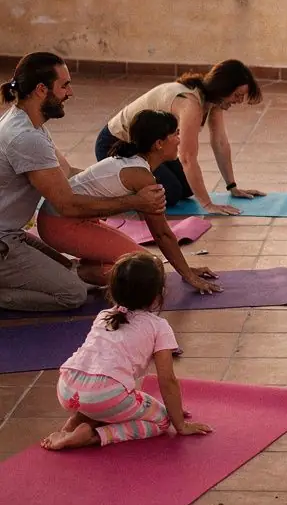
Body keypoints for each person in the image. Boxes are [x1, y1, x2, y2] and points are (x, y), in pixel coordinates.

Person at [0, 52, 164, 314]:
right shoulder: (25, 137)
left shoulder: (29, 124)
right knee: (72, 293)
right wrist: (134, 201)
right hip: (3, 242)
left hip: (11, 236)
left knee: (73, 273)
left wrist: (115, 176)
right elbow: (67, 205)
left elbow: (69, 174)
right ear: (42, 90)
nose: (70, 93)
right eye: (64, 85)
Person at [41, 251, 212, 451]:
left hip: (67, 387)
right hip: (105, 394)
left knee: (107, 396)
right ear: (157, 295)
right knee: (161, 420)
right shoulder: (159, 326)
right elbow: (167, 380)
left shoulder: (104, 315)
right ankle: (93, 436)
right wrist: (180, 425)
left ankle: (76, 422)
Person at [37, 110, 220, 294]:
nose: (179, 140)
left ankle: (85, 268)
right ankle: (70, 275)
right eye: (175, 134)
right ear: (159, 144)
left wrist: (187, 271)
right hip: (60, 224)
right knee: (149, 273)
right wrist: (188, 276)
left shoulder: (134, 163)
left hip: (68, 218)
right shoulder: (140, 176)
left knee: (144, 265)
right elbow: (162, 234)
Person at [95, 60, 263, 215]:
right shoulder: (190, 103)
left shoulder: (213, 101)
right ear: (222, 88)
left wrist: (232, 187)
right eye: (237, 95)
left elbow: (220, 143)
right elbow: (187, 158)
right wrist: (207, 205)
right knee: (171, 194)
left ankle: (135, 181)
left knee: (187, 189)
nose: (239, 101)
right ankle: (119, 186)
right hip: (115, 145)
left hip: (150, 148)